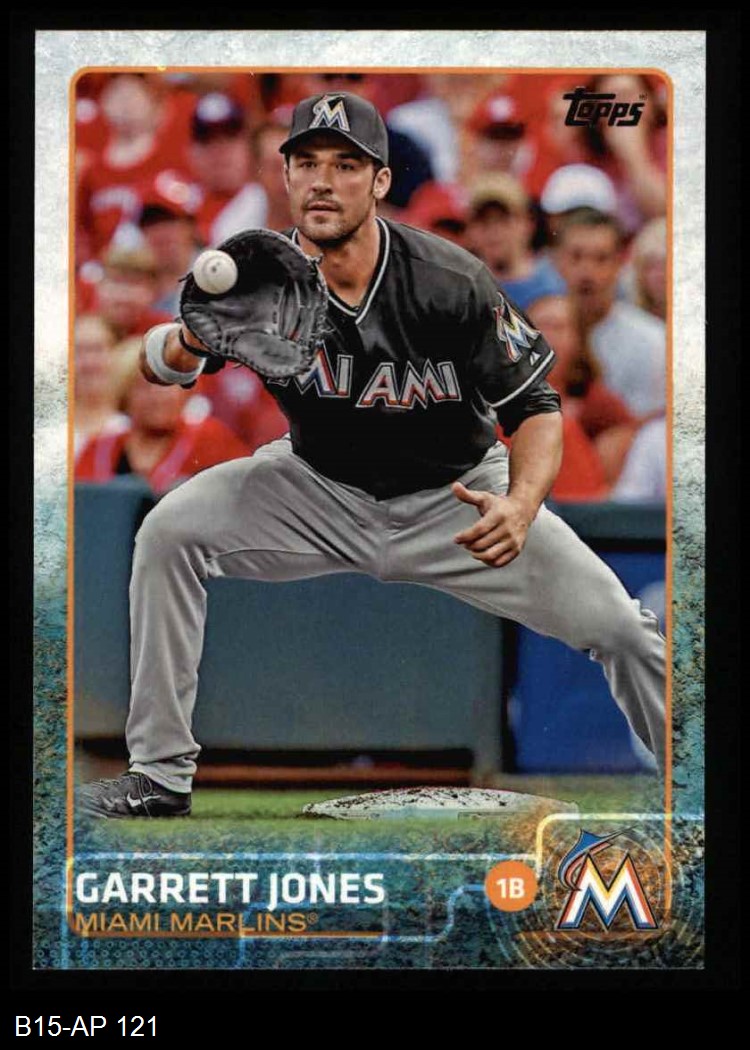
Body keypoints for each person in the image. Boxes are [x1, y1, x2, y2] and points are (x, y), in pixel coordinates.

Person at [76, 92, 666, 818]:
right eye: (307, 163)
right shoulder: (262, 274)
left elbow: (536, 408)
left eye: (346, 165)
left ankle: (692, 781)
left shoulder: (448, 279)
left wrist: (520, 504)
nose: (323, 181)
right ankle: (159, 774)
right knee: (168, 531)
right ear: (285, 176)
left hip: (457, 496)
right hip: (315, 487)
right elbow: (157, 365)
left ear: (381, 181)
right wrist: (189, 340)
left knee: (622, 630)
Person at [554, 207, 666, 420]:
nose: (587, 271)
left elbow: (645, 427)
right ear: (559, 261)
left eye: (601, 258)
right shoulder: (537, 331)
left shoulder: (652, 341)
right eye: (576, 257)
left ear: (619, 264)